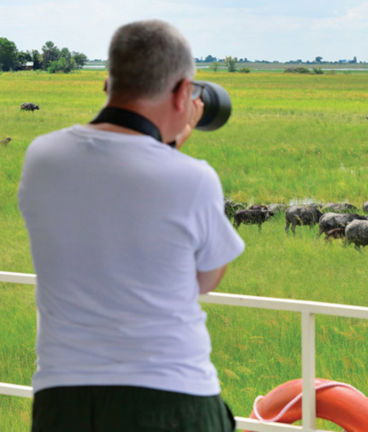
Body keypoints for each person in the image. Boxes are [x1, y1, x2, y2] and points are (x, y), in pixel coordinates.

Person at [18, 20, 244, 431]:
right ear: (181, 93)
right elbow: (205, 278)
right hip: (171, 398)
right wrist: (173, 150)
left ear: (107, 84)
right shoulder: (191, 179)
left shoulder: (42, 158)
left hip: (62, 400)